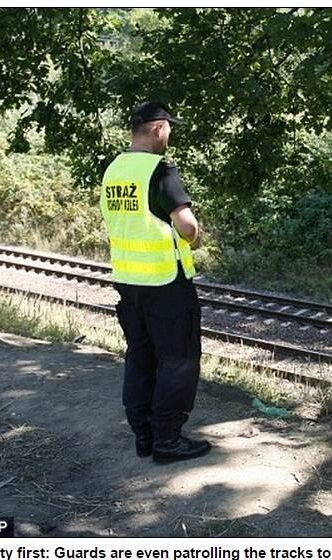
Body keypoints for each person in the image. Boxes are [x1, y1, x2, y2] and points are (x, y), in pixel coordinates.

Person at [100, 101, 211, 464]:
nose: (170, 134)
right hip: (165, 282)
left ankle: (144, 437)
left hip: (128, 282)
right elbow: (187, 226)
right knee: (178, 360)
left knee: (141, 357)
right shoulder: (160, 170)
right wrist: (195, 239)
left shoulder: (113, 170)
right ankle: (168, 440)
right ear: (157, 129)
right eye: (169, 127)